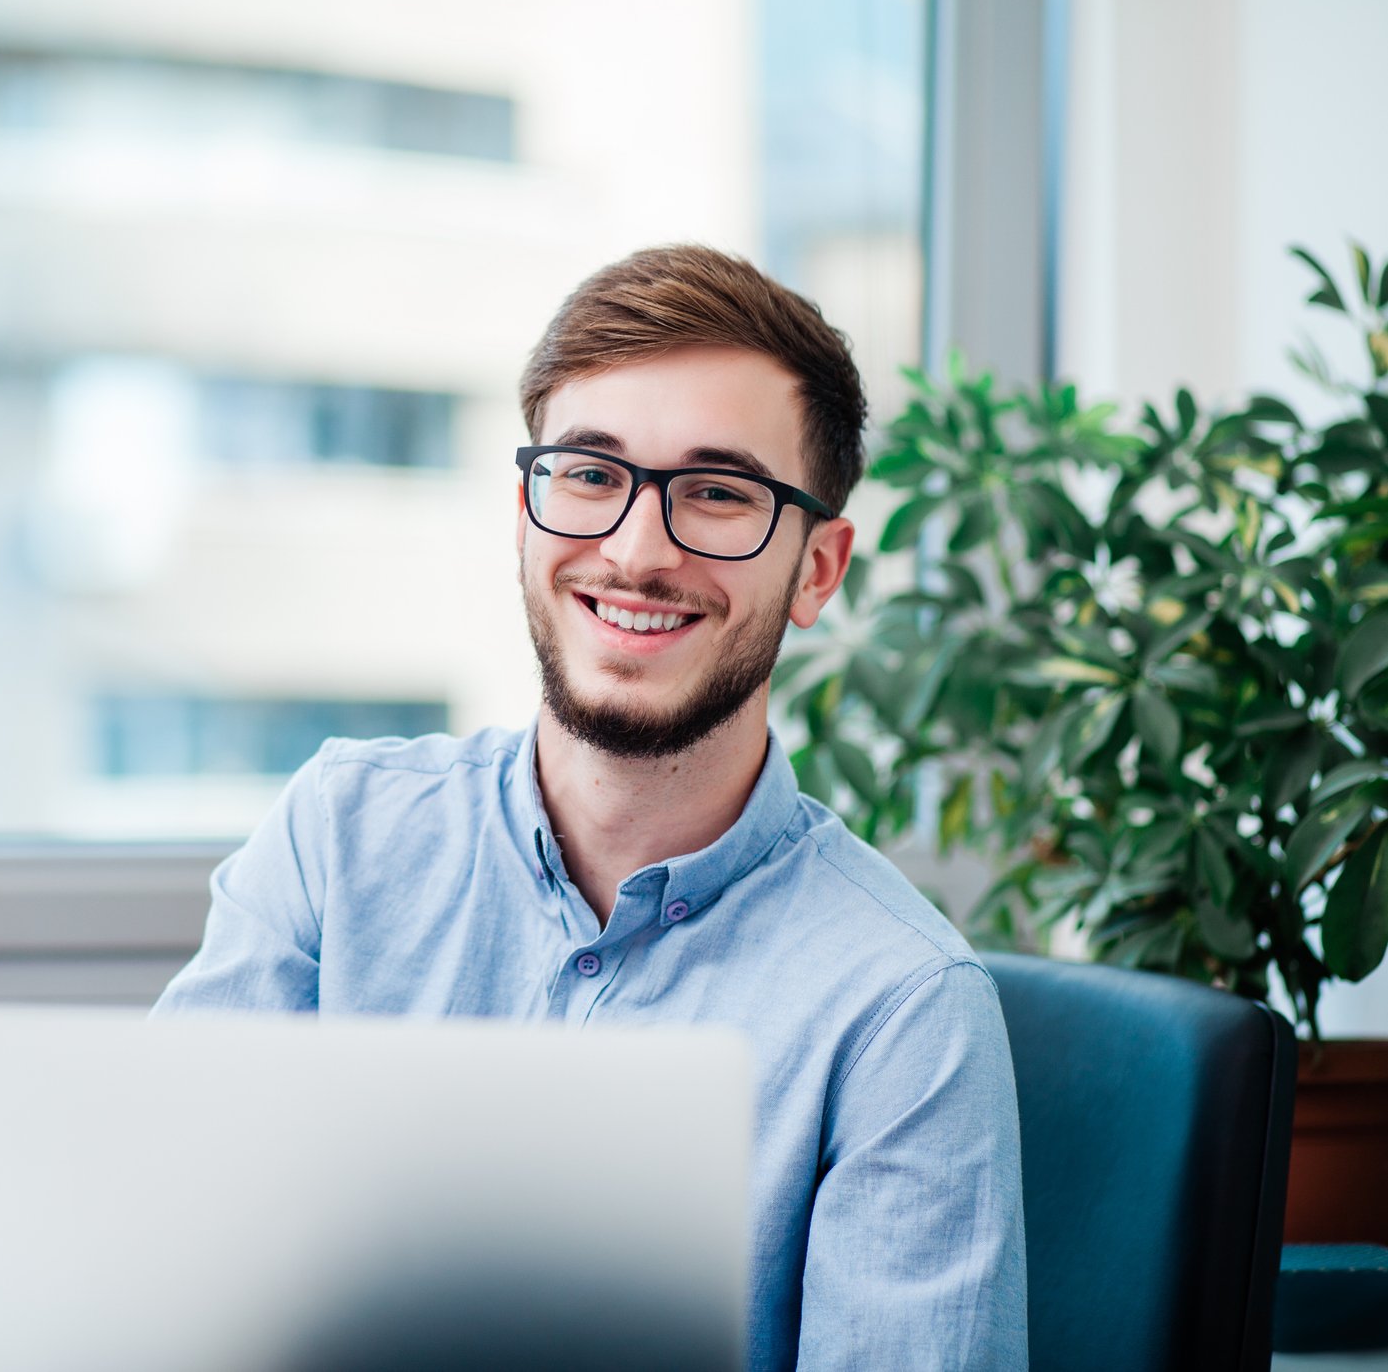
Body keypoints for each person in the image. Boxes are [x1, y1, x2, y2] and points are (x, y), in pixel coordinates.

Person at [152, 244, 1028, 1371]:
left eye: (718, 493)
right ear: (525, 512)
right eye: (588, 473)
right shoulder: (338, 838)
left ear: (818, 570)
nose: (634, 549)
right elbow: (166, 1275)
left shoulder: (903, 1008)